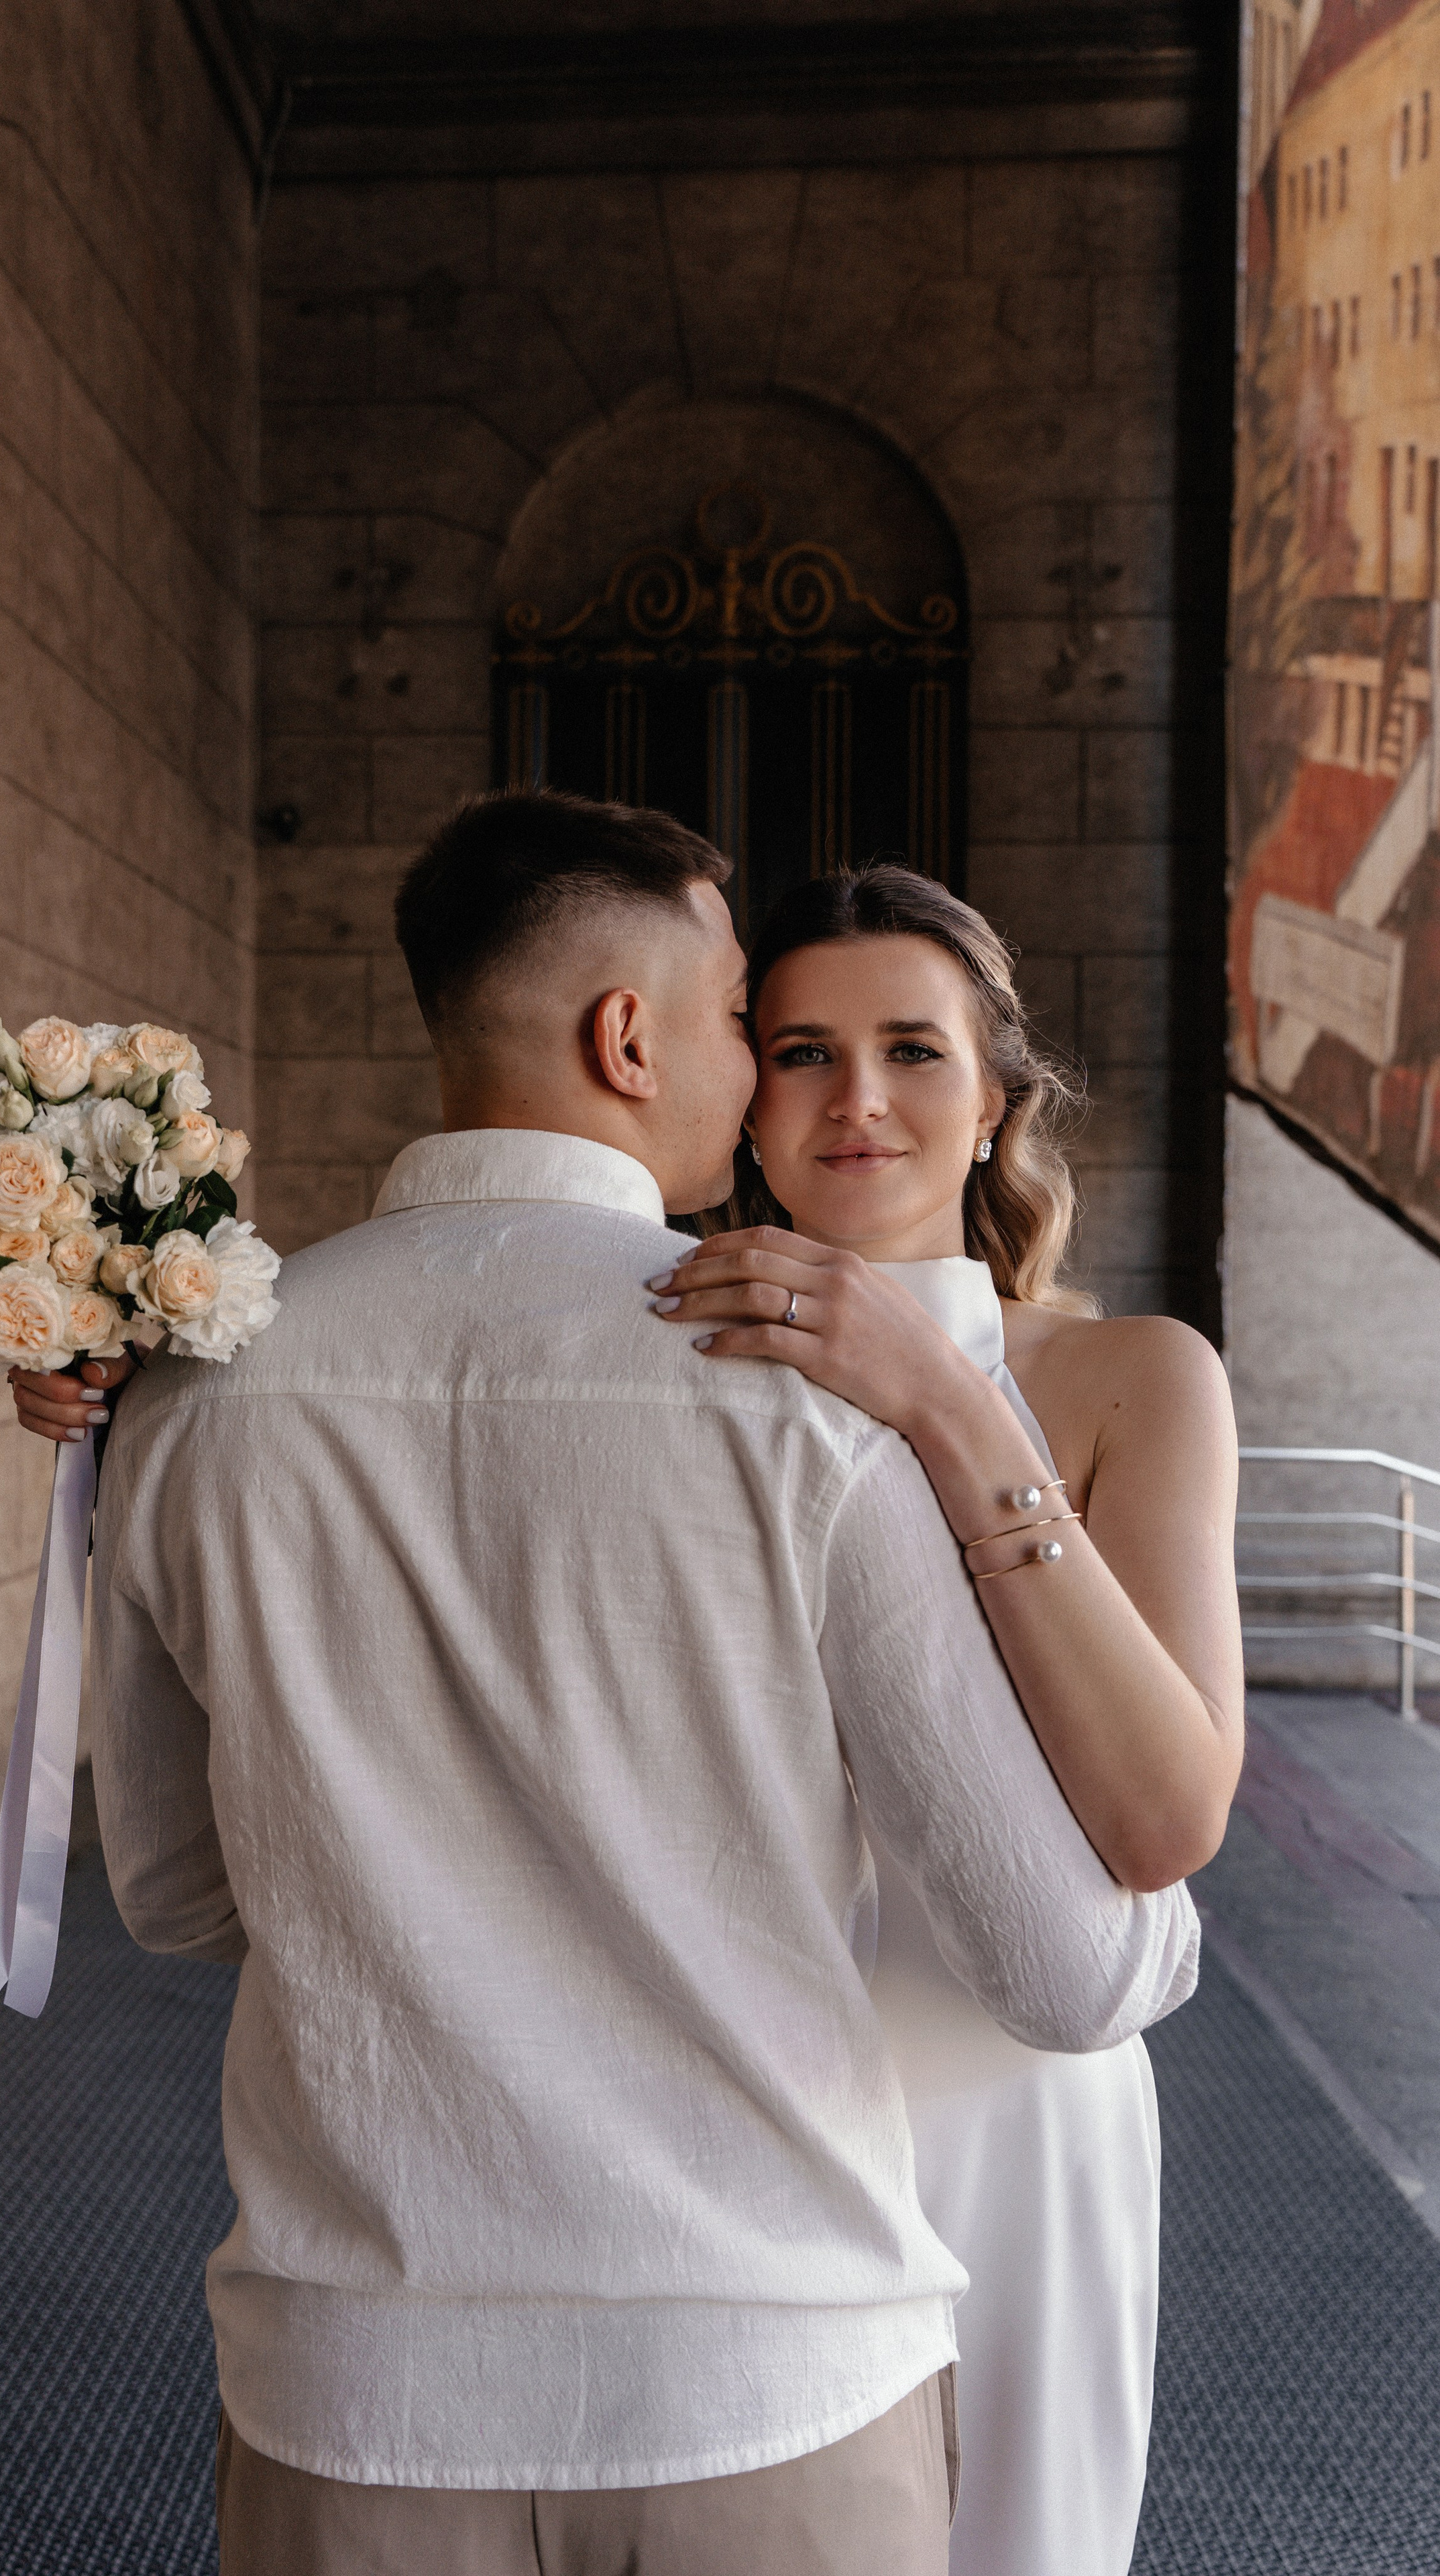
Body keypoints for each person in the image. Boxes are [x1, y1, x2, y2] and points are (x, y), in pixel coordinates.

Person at [12, 793, 1198, 2576]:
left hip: (360, 2383)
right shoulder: (808, 1395)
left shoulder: (187, 1399)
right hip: (764, 2370)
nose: (783, 1077)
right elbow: (1072, 1966)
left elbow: (177, 1895)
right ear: (628, 1035)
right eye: (753, 1020)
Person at [644, 862, 1243, 2576]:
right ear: (735, 1098)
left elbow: (1162, 1815)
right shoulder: (636, 1346)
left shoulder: (1133, 1377)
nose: (856, 1099)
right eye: (799, 1050)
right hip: (720, 2092)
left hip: (1008, 2104)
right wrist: (129, 1396)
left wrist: (930, 1389)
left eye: (911, 1050)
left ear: (991, 1104)